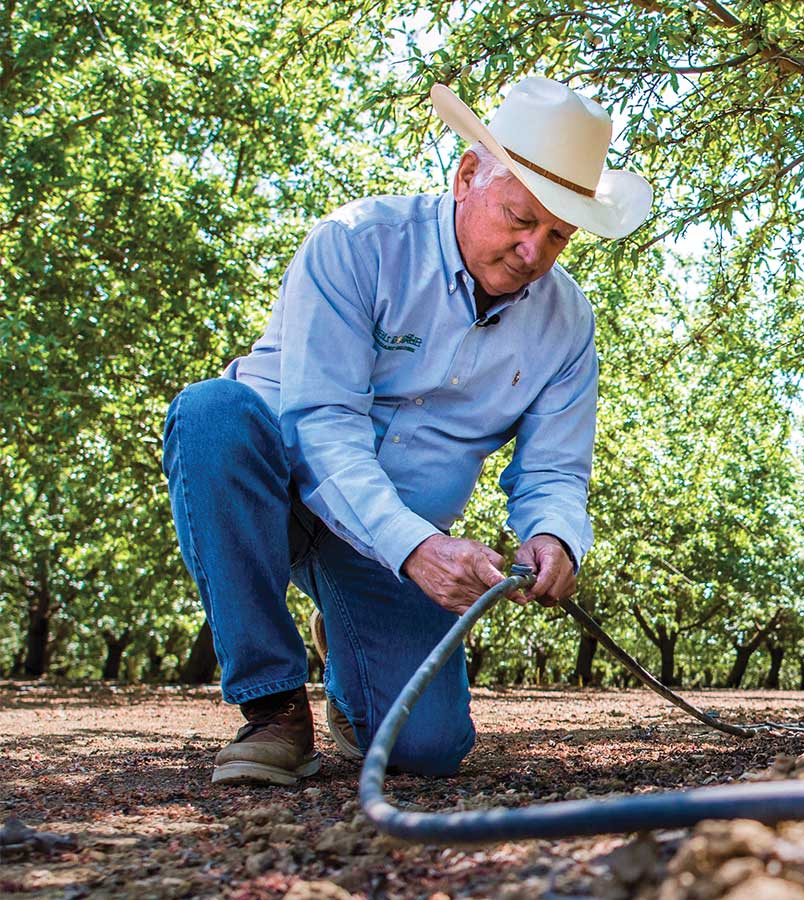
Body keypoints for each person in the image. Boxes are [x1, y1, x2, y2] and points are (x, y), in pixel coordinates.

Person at [160, 77, 652, 785]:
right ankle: (271, 709)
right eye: (520, 218)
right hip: (279, 481)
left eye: (559, 236)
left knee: (427, 751)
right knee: (211, 416)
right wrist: (417, 548)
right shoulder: (357, 243)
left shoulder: (568, 324)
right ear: (466, 176)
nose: (532, 252)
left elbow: (555, 471)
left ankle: (352, 657)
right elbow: (322, 424)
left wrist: (554, 535)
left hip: (394, 538)